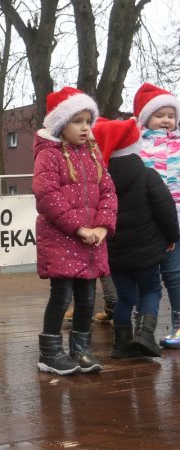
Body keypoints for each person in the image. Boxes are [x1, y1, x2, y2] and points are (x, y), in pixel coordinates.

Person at [32, 87, 117, 375]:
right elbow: (47, 196)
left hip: (92, 240)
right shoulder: (49, 156)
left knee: (88, 297)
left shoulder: (93, 155)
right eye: (76, 121)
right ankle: (50, 352)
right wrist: (79, 227)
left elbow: (108, 191)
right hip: (62, 238)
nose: (84, 128)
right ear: (60, 124)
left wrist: (102, 226)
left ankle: (81, 349)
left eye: (88, 121)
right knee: (62, 296)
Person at [92, 117, 179, 358]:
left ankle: (121, 345)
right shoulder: (148, 176)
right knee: (151, 290)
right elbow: (166, 210)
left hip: (116, 254)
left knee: (125, 297)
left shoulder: (102, 180)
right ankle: (144, 336)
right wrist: (172, 236)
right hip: (147, 252)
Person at [134, 83, 180, 349]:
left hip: (175, 222)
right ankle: (143, 326)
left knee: (174, 274)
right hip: (147, 223)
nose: (166, 120)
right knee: (146, 276)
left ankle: (178, 323)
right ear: (146, 118)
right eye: (160, 114)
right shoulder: (136, 146)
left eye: (171, 115)